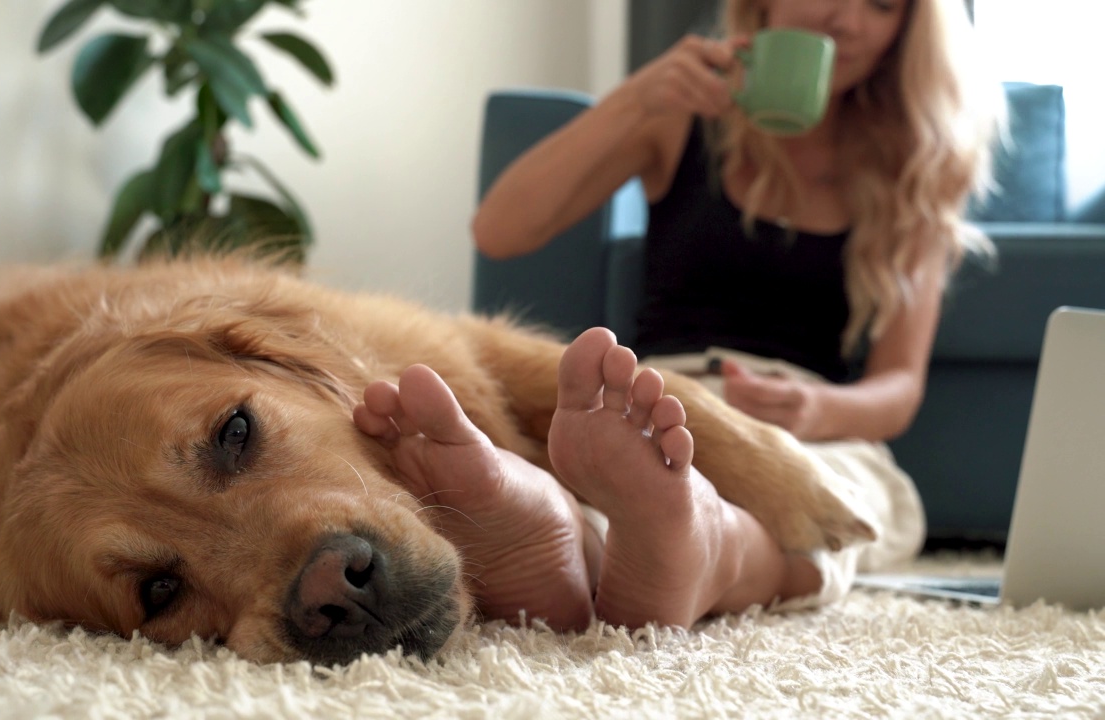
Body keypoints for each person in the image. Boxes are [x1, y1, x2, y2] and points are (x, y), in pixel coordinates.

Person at [358, 0, 1001, 632]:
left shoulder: (913, 174)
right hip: (661, 399)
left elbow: (897, 388)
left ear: (906, 34)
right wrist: (639, 98)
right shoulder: (686, 120)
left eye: (884, 6)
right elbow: (500, 229)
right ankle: (588, 532)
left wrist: (811, 410)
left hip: (813, 423)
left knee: (839, 511)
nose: (849, 20)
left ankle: (661, 542)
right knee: (638, 465)